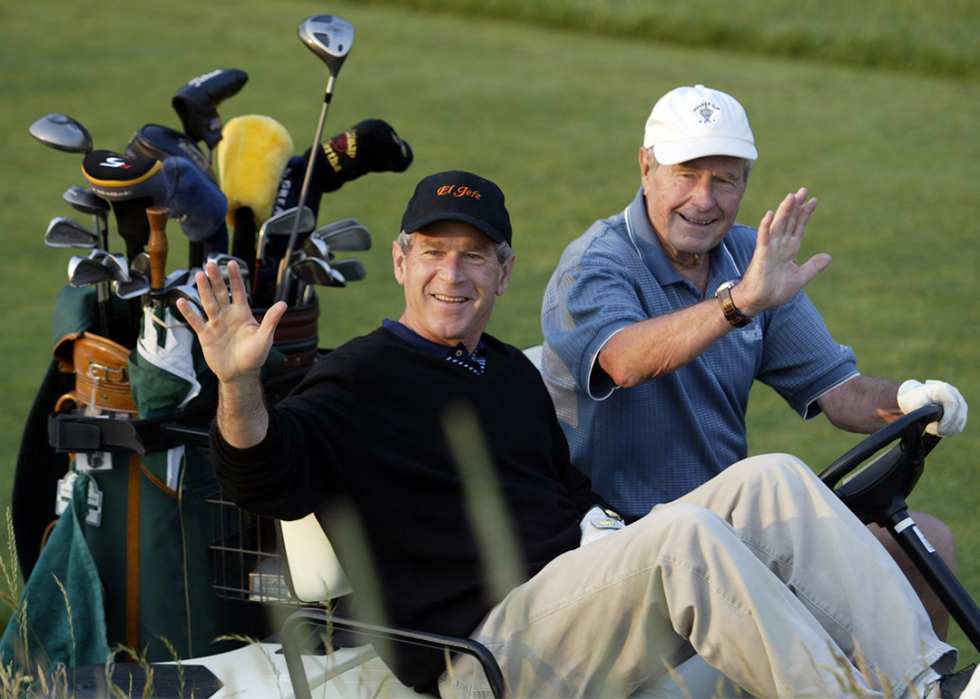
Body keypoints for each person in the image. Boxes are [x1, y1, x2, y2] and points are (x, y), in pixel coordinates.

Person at [178, 171, 975, 699]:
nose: (451, 276)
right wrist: (240, 384)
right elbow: (263, 474)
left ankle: (927, 681)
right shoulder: (359, 378)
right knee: (682, 537)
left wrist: (607, 529)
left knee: (770, 475)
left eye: (473, 257)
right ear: (400, 261)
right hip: (479, 651)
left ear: (504, 270)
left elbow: (567, 499)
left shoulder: (508, 376)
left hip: (573, 600)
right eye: (432, 254)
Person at [540, 84, 968, 639]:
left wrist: (908, 399)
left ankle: (929, 682)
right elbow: (625, 361)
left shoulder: (749, 256)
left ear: (745, 183)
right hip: (623, 537)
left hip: (727, 527)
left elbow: (839, 391)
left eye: (725, 179)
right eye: (686, 174)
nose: (704, 199)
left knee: (925, 541)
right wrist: (738, 303)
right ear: (646, 166)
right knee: (781, 485)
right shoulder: (595, 263)